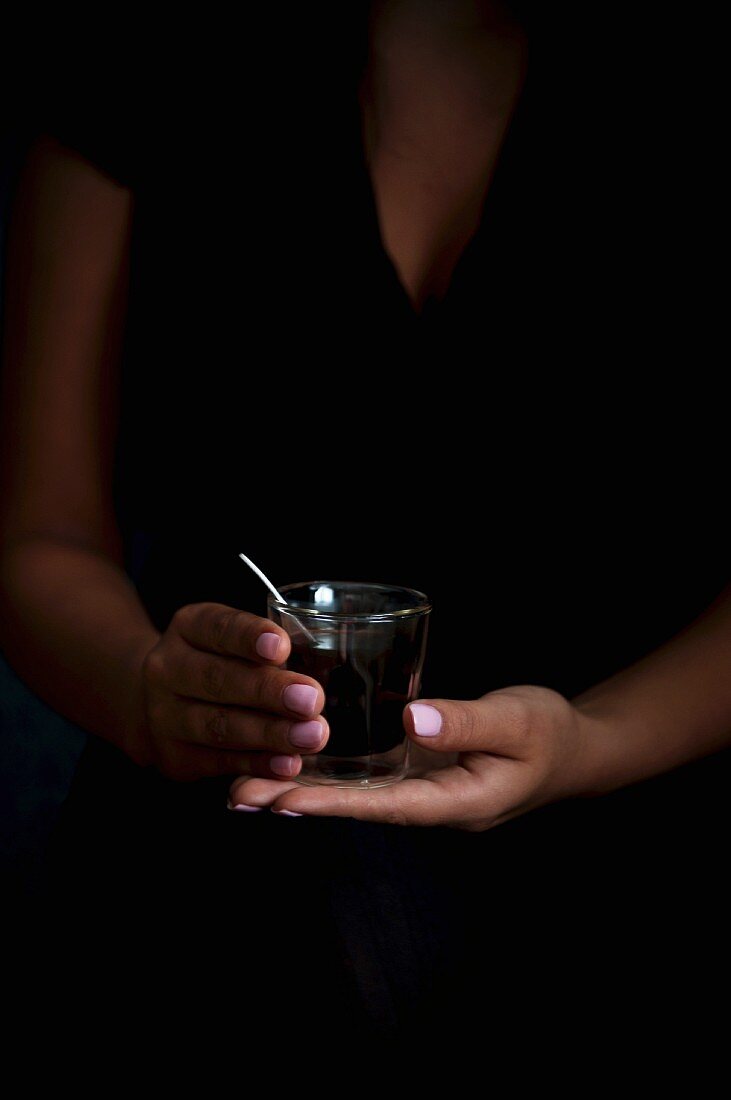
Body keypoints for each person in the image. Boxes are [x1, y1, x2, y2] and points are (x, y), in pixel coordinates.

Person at [1, 1, 728, 1038]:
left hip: (627, 813)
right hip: (220, 804)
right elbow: (40, 532)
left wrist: (592, 742)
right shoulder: (137, 55)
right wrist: (140, 688)